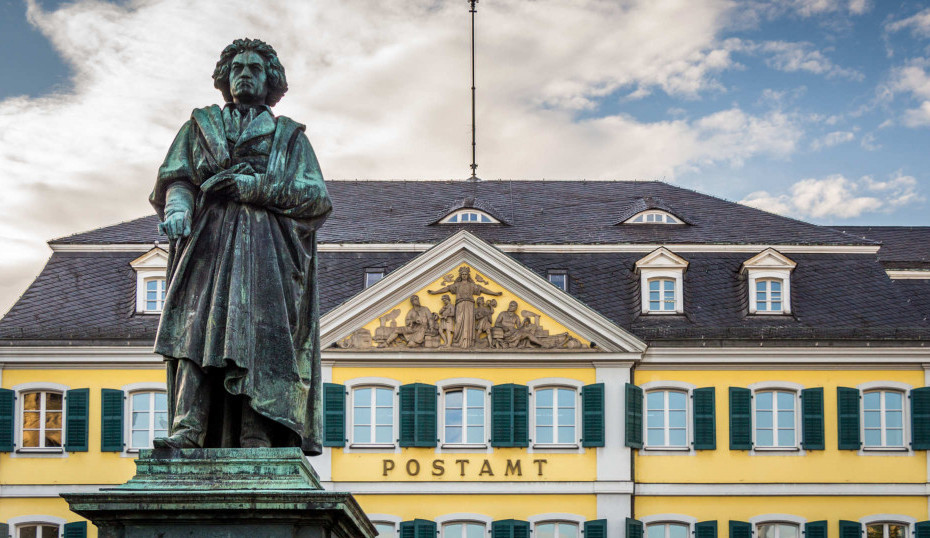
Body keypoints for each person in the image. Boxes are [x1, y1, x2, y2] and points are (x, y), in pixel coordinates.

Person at [149, 38, 331, 454]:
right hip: (207, 249)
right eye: (237, 68)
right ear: (225, 78)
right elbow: (179, 178)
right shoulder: (200, 128)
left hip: (268, 256)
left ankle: (258, 433)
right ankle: (188, 427)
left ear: (270, 80)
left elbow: (317, 198)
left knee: (261, 339)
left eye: (254, 68)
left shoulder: (290, 139)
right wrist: (177, 208)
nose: (245, 74)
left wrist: (254, 186)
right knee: (195, 333)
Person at [427, 267, 501, 348]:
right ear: (461, 275)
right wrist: (435, 292)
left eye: (465, 274)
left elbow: (483, 289)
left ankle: (468, 343)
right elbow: (447, 288)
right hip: (460, 305)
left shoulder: (471, 285)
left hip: (469, 306)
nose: (464, 275)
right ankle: (458, 342)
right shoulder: (457, 285)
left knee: (468, 322)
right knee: (458, 322)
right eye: (463, 274)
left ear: (468, 275)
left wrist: (495, 293)